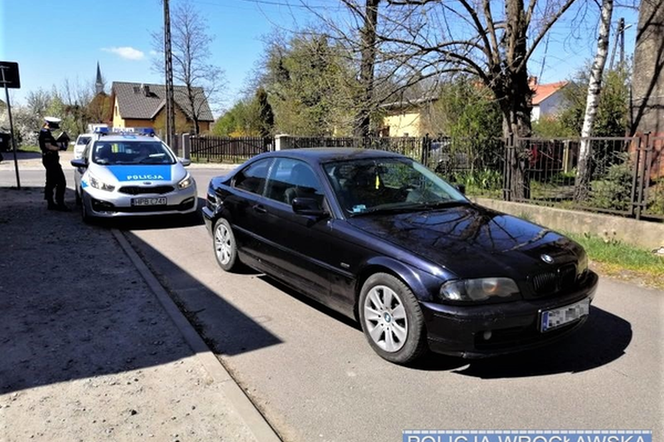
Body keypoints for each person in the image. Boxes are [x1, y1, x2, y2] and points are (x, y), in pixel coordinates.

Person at [39, 117, 70, 211]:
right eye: (54, 126)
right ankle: (60, 203)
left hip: (50, 159)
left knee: (51, 182)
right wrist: (60, 147)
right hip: (51, 160)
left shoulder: (45, 132)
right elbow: (48, 146)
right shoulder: (45, 133)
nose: (55, 128)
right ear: (48, 124)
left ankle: (51, 203)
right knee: (61, 182)